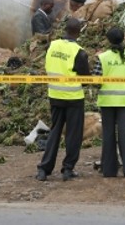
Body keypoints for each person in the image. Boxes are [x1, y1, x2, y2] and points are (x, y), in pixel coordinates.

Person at [36, 18, 90, 182]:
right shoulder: (79, 51)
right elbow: (86, 79)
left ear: (65, 30)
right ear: (78, 32)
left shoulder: (52, 45)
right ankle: (68, 169)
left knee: (55, 132)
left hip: (55, 96)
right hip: (74, 98)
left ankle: (44, 170)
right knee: (73, 135)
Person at [93, 27, 125, 178]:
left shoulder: (102, 57)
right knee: (124, 134)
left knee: (108, 134)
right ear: (123, 39)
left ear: (108, 40)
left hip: (107, 101)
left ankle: (108, 170)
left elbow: (95, 80)